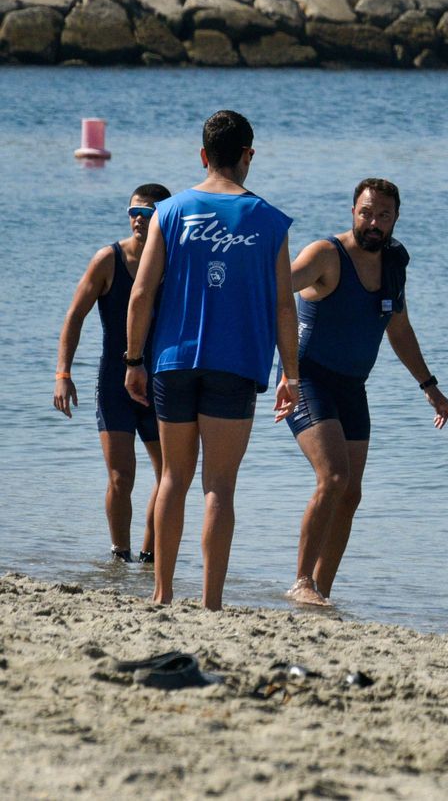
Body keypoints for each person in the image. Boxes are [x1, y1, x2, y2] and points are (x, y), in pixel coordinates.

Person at [125, 110, 298, 611]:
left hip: (172, 361)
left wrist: (133, 360)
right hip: (236, 363)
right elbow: (285, 305)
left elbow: (141, 293)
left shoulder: (170, 212)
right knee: (218, 485)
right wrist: (292, 374)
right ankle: (212, 603)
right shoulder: (269, 220)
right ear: (249, 156)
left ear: (203, 156)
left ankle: (160, 594)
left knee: (173, 479)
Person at [283, 178, 448, 606]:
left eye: (383, 215)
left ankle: (321, 589)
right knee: (334, 477)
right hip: (309, 381)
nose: (373, 222)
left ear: (395, 218)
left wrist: (430, 387)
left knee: (351, 492)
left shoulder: (394, 262)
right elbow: (275, 292)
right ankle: (301, 581)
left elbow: (398, 328)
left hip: (352, 387)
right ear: (352, 211)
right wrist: (286, 372)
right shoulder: (326, 254)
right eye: (366, 212)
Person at [53, 184, 171, 564]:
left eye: (149, 213)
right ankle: (120, 557)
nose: (139, 218)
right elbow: (74, 316)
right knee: (121, 478)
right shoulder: (108, 260)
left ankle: (150, 554)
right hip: (114, 385)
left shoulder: (176, 262)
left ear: (164, 218)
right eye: (133, 211)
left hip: (161, 383)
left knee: (168, 474)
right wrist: (63, 372)